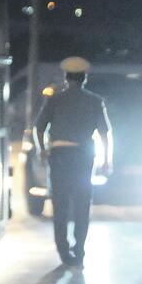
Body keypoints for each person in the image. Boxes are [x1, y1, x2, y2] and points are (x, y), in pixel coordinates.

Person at [33, 56, 113, 268]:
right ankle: (79, 250)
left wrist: (42, 151)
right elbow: (105, 133)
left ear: (66, 78)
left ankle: (63, 251)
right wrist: (107, 161)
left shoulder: (54, 100)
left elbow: (38, 128)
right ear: (84, 78)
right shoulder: (96, 101)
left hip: (59, 156)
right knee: (81, 203)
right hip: (83, 156)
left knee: (60, 204)